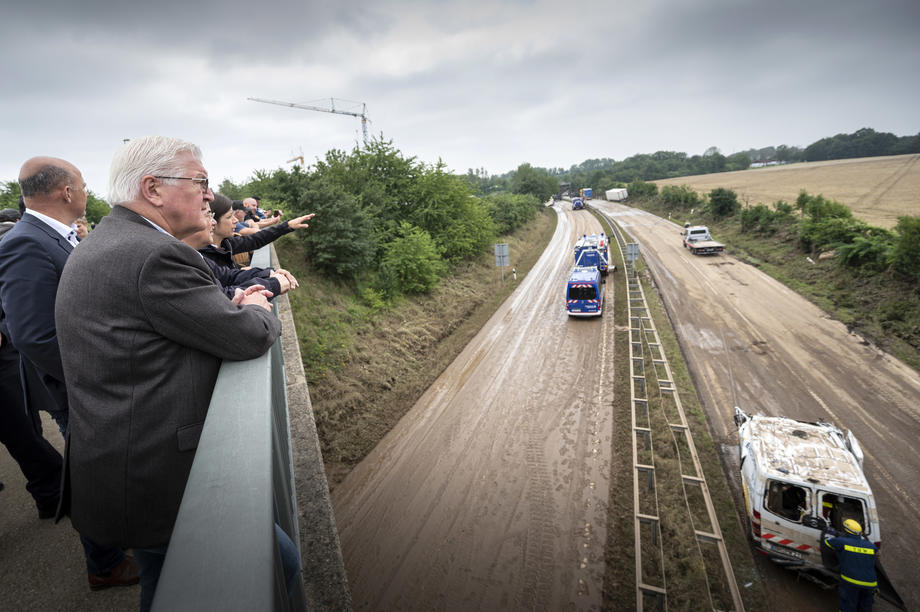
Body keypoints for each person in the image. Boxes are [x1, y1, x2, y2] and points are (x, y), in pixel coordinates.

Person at [55, 136, 281, 612]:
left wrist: (225, 307)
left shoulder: (113, 241)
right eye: (200, 181)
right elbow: (248, 337)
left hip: (120, 457)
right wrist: (258, 300)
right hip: (155, 472)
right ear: (153, 189)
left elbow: (166, 325)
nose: (209, 194)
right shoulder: (156, 255)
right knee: (185, 589)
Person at [0, 157, 139, 589]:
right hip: (75, 387)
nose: (84, 190)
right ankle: (104, 563)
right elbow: (34, 335)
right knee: (91, 474)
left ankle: (115, 541)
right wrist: (94, 380)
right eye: (82, 183)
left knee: (104, 469)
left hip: (84, 381)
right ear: (66, 192)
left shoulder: (52, 236)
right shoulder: (24, 243)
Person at [202, 193, 313, 271]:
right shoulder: (203, 259)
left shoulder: (226, 244)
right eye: (230, 216)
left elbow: (256, 239)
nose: (235, 220)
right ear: (212, 221)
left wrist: (287, 226)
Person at [823, 519, 877, 612]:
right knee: (865, 608)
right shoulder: (871, 546)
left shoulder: (841, 542)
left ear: (845, 530)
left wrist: (829, 533)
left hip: (851, 581)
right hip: (870, 583)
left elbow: (827, 542)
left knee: (848, 606)